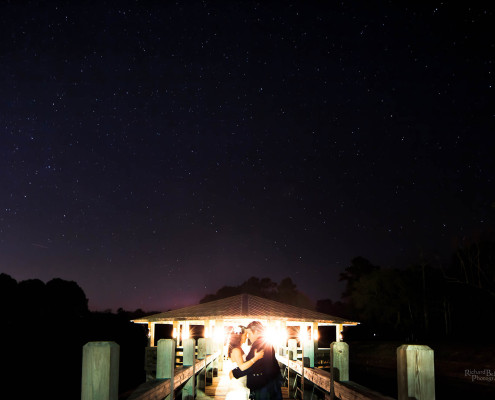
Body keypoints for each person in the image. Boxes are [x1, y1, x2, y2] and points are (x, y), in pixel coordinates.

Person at [231, 321, 282, 400]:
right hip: (270, 383)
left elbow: (253, 365)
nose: (248, 336)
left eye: (249, 333)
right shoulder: (264, 342)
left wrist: (235, 373)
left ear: (256, 332)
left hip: (264, 385)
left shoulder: (259, 344)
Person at [226, 325, 265, 400]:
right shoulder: (236, 350)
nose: (247, 337)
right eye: (245, 335)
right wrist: (256, 358)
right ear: (239, 336)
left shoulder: (239, 348)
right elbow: (242, 367)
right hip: (238, 382)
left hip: (242, 380)